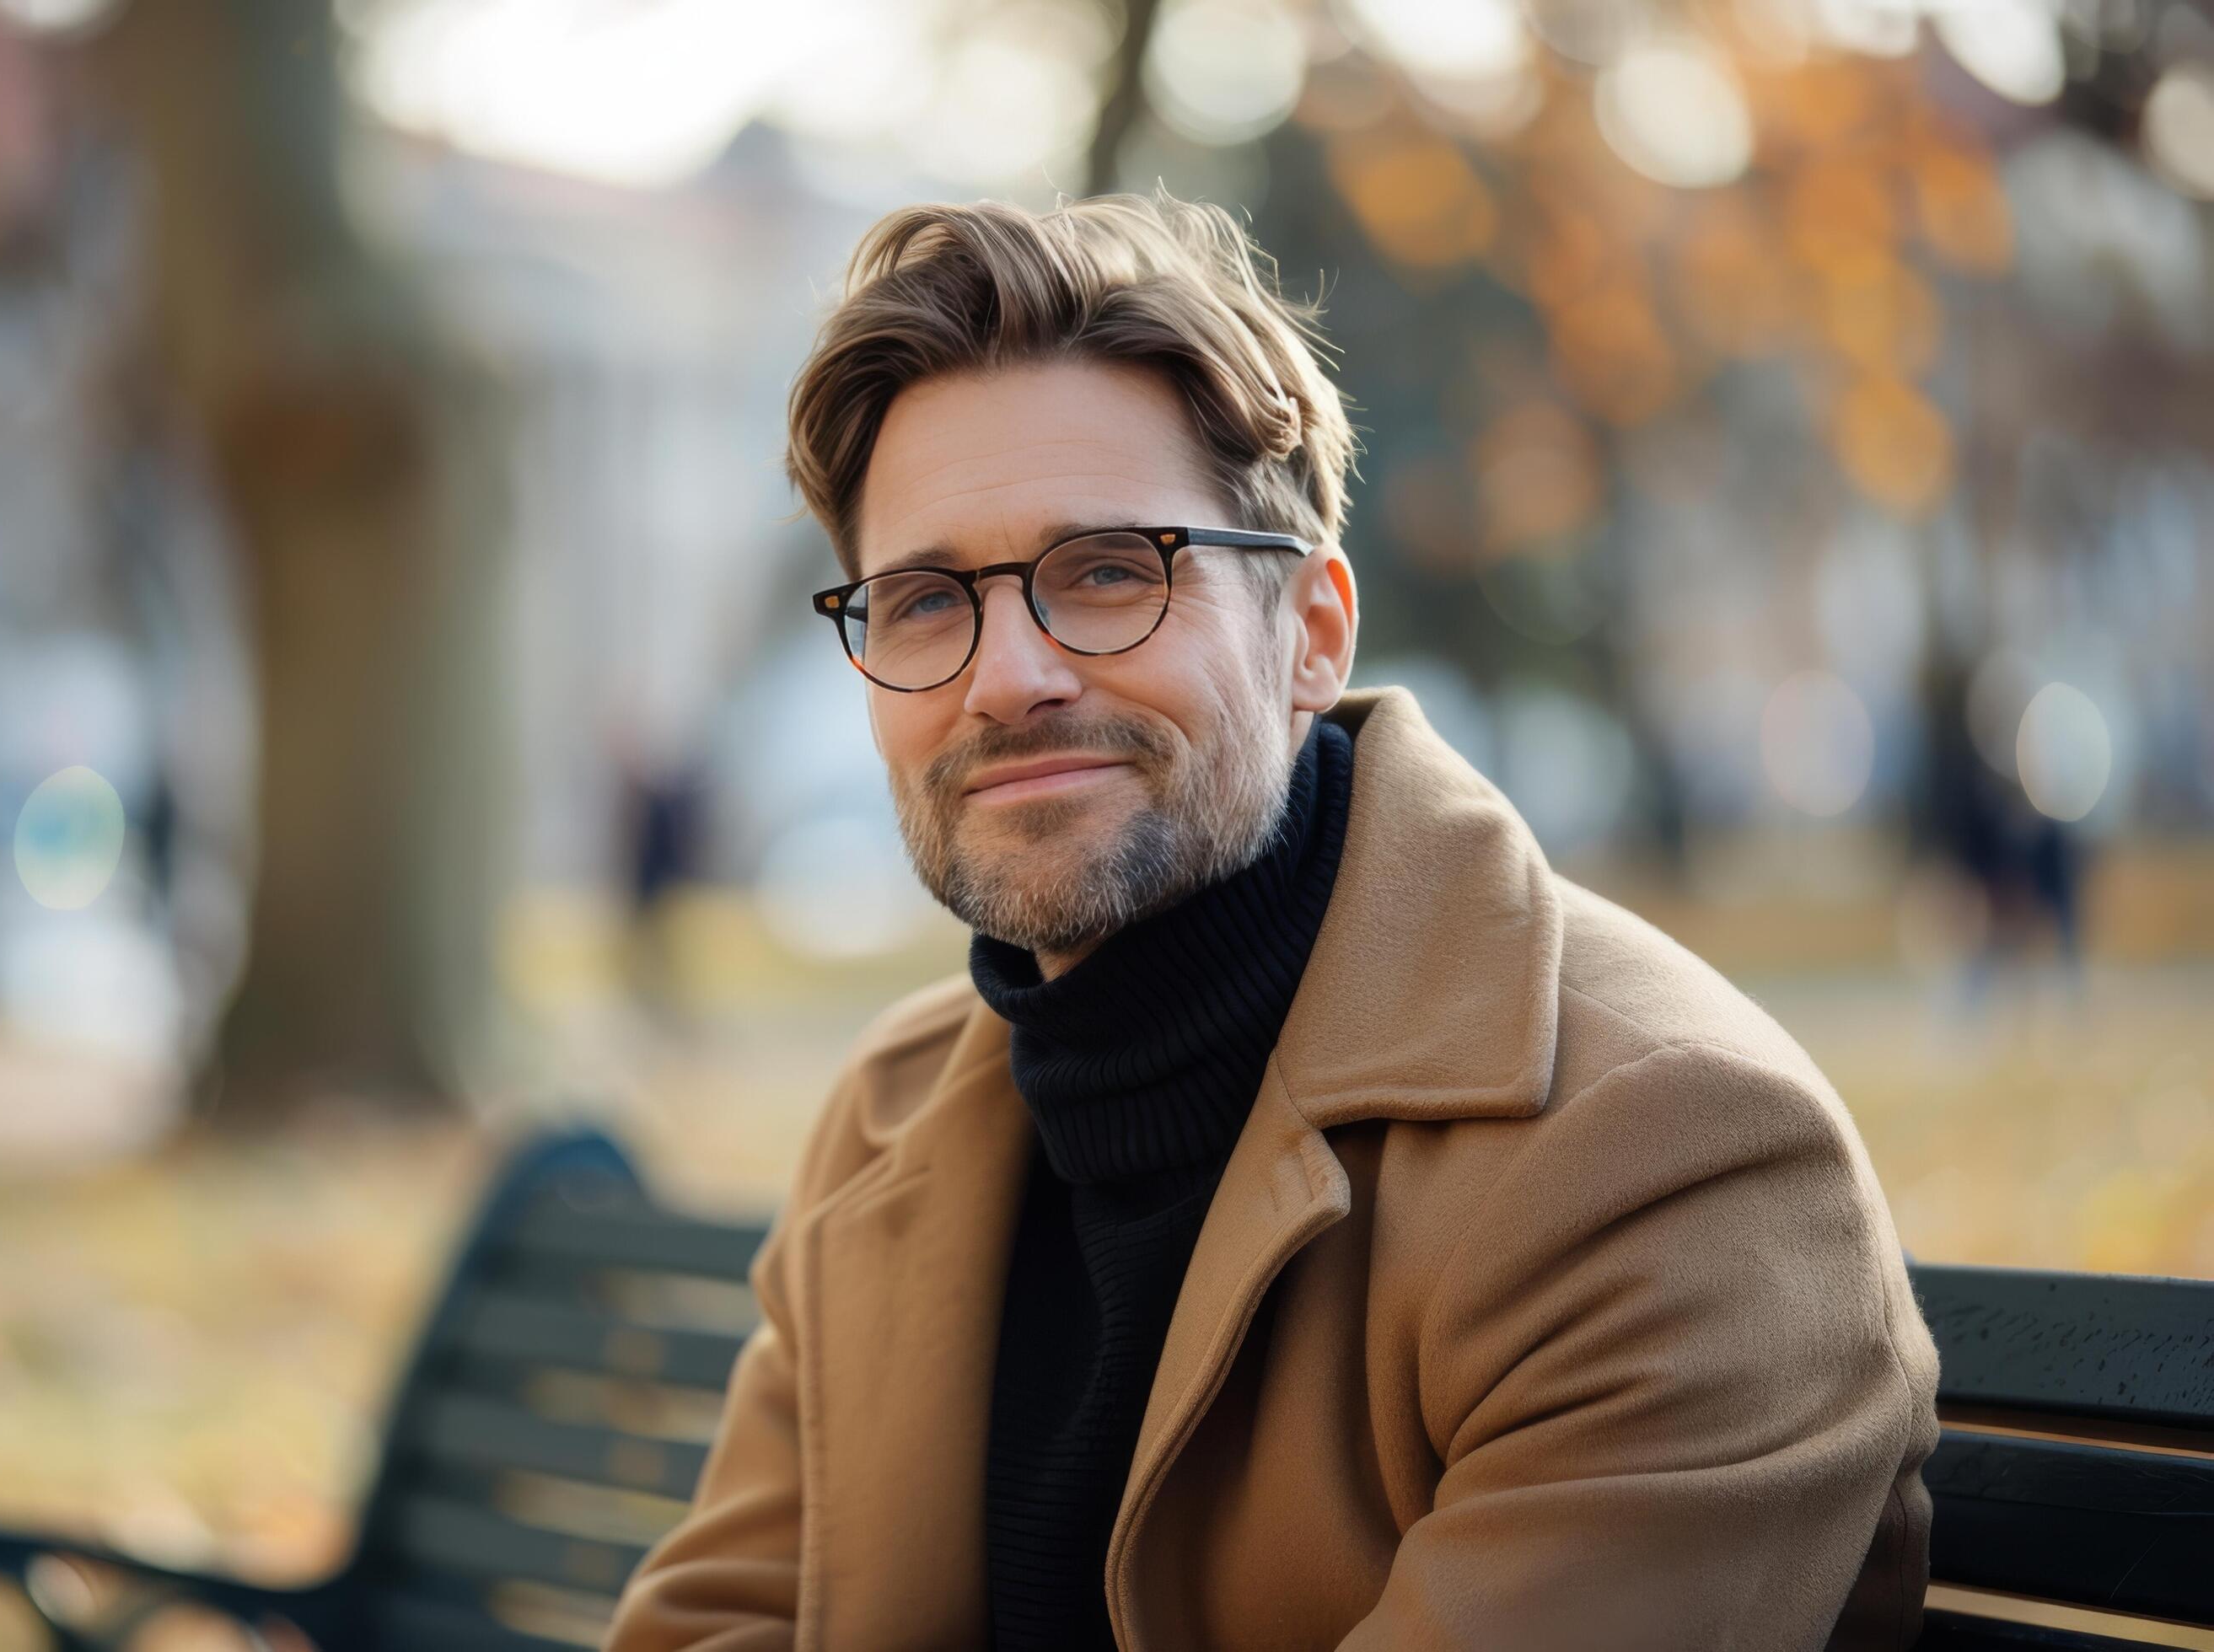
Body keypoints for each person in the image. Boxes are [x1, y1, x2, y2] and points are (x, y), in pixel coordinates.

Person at [606, 195, 1938, 1652]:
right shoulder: (892, 1119)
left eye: (1108, 570)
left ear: (1311, 634)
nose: (1008, 678)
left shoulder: (1661, 1158)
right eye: (926, 601)